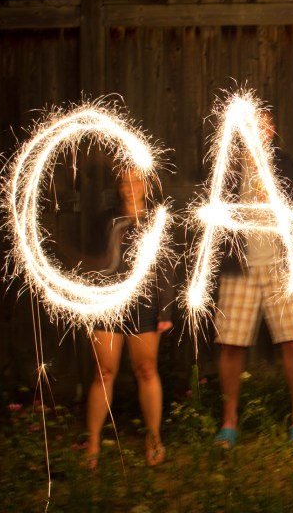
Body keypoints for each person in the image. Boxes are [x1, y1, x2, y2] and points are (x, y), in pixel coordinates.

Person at [212, 110, 293, 449]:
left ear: (272, 130)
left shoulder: (284, 164)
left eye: (265, 123)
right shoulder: (228, 166)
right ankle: (229, 421)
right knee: (230, 344)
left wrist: (284, 207)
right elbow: (210, 212)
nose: (260, 129)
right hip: (238, 268)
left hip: (279, 268)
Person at [83, 167, 175, 469]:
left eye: (136, 181)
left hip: (145, 304)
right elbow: (92, 264)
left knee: (146, 369)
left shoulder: (156, 221)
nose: (130, 187)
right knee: (104, 372)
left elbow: (166, 267)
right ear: (118, 186)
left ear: (145, 185)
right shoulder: (105, 220)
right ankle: (93, 443)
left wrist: (166, 309)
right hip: (108, 304)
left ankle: (154, 438)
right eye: (124, 182)